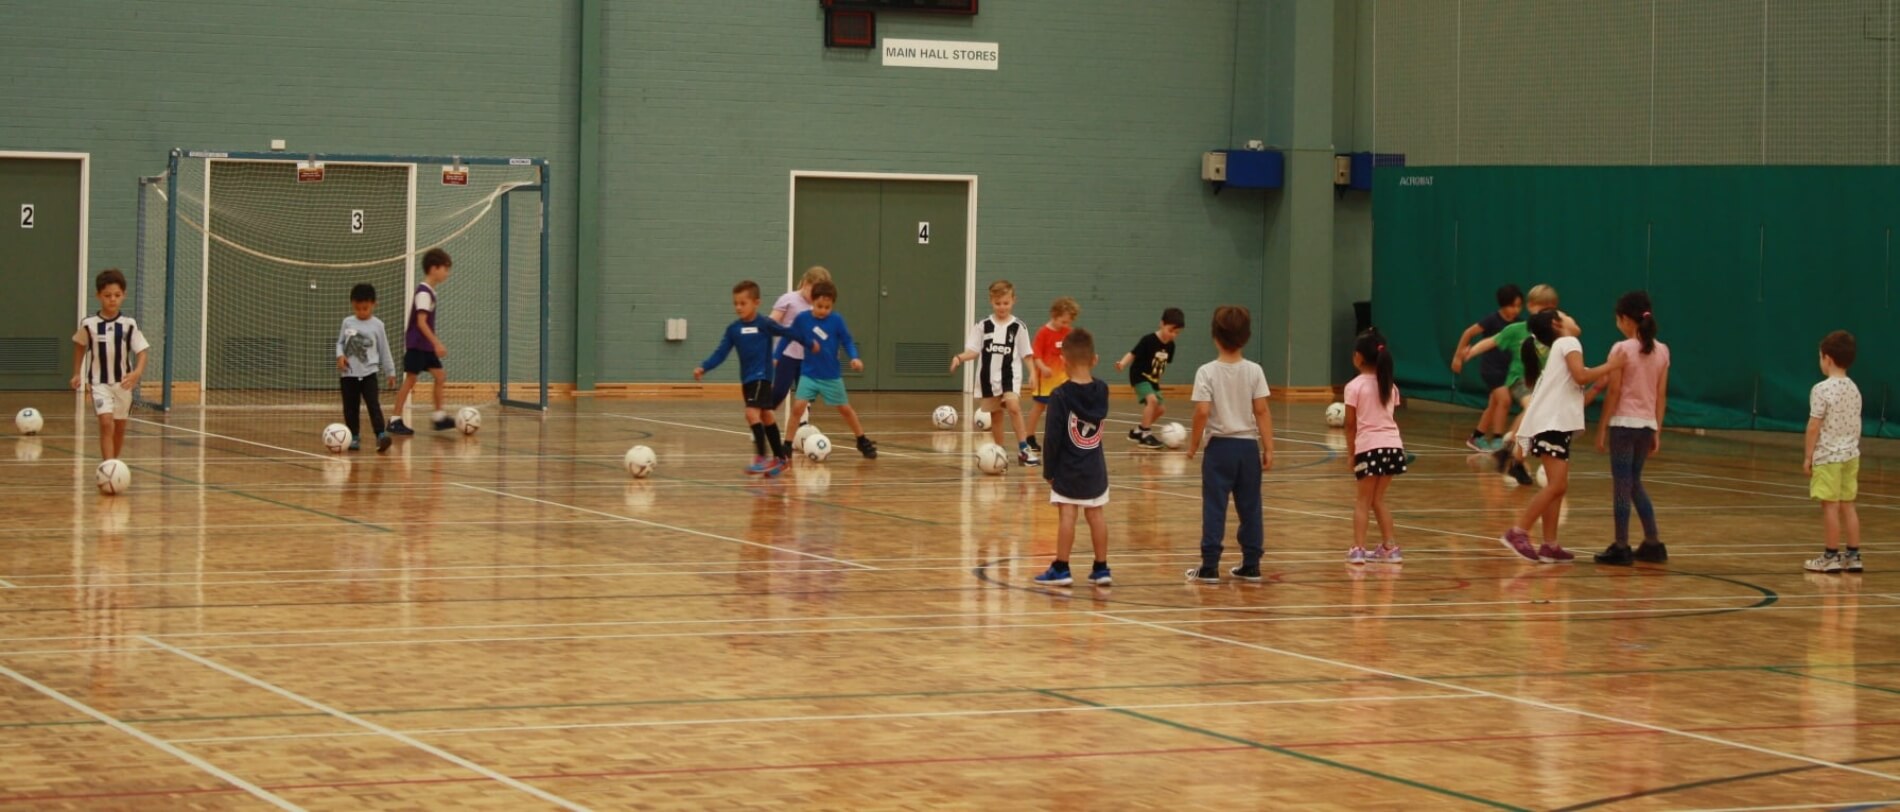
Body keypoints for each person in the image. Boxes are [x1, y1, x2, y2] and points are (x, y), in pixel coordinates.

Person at [1497, 310, 1625, 563]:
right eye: (1568, 315)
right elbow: (1581, 376)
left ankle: (1550, 545)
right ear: (1557, 323)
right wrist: (1612, 365)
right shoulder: (1568, 342)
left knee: (1557, 486)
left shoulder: (1561, 350)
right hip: (1551, 425)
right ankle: (1517, 532)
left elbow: (1580, 393)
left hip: (1555, 425)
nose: (1574, 318)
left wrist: (1599, 383)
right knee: (1557, 485)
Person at [1184, 306, 1274, 584]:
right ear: (1246, 337)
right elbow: (1261, 411)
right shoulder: (1254, 371)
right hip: (1247, 449)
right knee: (1250, 507)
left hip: (1219, 449)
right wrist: (1269, 447)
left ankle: (1210, 566)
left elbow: (1201, 411)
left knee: (1214, 506)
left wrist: (1194, 443)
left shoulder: (1206, 372)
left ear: (1214, 336)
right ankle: (1251, 563)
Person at [696, 280, 814, 475]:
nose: (738, 307)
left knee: (751, 413)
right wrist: (704, 367)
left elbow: (788, 332)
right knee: (767, 416)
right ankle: (781, 459)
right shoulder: (734, 329)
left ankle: (761, 457)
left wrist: (809, 342)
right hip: (747, 380)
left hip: (763, 377)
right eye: (736, 303)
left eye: (743, 303)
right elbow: (721, 353)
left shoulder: (765, 324)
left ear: (756, 303)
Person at [1592, 291, 1670, 566]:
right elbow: (1661, 395)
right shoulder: (1662, 350)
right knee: (1633, 482)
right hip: (1646, 426)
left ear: (1626, 319)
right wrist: (1657, 430)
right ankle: (1653, 542)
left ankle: (1621, 545)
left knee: (1622, 486)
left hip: (1624, 425)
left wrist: (1601, 428)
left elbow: (1613, 392)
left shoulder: (1621, 349)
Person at [1031, 328, 1112, 587]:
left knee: (1068, 514)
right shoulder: (1102, 390)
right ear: (1095, 359)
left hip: (1067, 468)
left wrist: (1049, 471)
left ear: (1063, 361)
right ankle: (1101, 568)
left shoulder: (1060, 396)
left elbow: (1052, 438)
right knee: (1096, 514)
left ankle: (1061, 568)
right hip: (1095, 468)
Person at [1460, 284, 1561, 485]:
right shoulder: (1517, 329)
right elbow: (1491, 341)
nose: (1547, 314)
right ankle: (1510, 451)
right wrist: (1470, 353)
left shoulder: (1555, 331)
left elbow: (1575, 331)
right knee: (1531, 407)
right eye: (1543, 309)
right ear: (1531, 306)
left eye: (1551, 310)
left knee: (1533, 415)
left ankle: (1511, 455)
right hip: (1519, 380)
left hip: (1540, 383)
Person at [950, 280, 1039, 466]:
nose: (1002, 307)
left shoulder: (1019, 327)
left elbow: (1026, 354)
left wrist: (1032, 373)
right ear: (991, 302)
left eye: (1006, 303)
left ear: (1013, 300)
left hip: (1010, 377)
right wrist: (959, 358)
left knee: (1014, 408)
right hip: (988, 379)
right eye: (998, 303)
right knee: (996, 417)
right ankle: (1000, 451)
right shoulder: (982, 326)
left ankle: (1024, 450)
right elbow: (973, 352)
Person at [790, 281, 877, 459]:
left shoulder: (836, 320)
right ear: (812, 301)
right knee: (797, 408)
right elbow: (789, 336)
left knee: (845, 409)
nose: (823, 310)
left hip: (831, 376)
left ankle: (861, 440)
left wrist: (854, 357)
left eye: (827, 307)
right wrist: (778, 355)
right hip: (809, 374)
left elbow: (847, 340)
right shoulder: (803, 319)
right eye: (819, 306)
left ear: (833, 305)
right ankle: (786, 444)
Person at [70, 269, 149, 461]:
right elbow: (80, 346)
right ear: (98, 296)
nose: (112, 299)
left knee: (119, 427)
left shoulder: (129, 324)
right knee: (106, 423)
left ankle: (114, 463)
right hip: (99, 383)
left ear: (124, 295)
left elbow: (142, 351)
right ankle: (108, 466)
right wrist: (77, 373)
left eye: (117, 295)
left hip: (123, 384)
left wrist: (137, 373)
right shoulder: (89, 324)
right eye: (107, 295)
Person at [1803, 330, 1863, 574]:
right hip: (1850, 456)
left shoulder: (1821, 389)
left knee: (1830, 506)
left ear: (1827, 358)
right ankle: (1854, 555)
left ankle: (1831, 555)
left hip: (1828, 457)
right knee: (1848, 505)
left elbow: (1814, 424)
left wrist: (1808, 456)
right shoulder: (1854, 389)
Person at [1345, 329, 1405, 565]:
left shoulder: (1354, 386)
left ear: (1359, 357)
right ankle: (1390, 547)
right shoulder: (1390, 386)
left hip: (1369, 448)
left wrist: (1352, 454)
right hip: (1393, 448)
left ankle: (1359, 548)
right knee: (1378, 499)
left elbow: (1350, 426)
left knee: (1363, 500)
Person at [388, 248, 455, 435]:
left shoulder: (431, 292)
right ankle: (394, 419)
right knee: (410, 380)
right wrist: (437, 343)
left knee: (440, 376)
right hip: (418, 345)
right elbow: (421, 322)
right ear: (434, 268)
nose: (447, 273)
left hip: (425, 347)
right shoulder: (424, 293)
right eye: (445, 269)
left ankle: (439, 417)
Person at [1450, 284, 1523, 451]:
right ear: (1502, 304)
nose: (1516, 310)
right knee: (1504, 401)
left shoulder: (1519, 324)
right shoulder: (1492, 319)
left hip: (1507, 370)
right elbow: (1468, 333)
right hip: (1491, 369)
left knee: (1494, 405)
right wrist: (1458, 356)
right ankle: (1498, 440)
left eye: (1519, 306)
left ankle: (1477, 437)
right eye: (1512, 305)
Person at [335, 283, 396, 453]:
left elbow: (384, 349)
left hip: (369, 374)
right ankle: (353, 436)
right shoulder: (347, 322)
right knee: (350, 407)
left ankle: (381, 435)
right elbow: (340, 343)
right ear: (352, 304)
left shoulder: (378, 325)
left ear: (374, 304)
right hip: (348, 374)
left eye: (365, 308)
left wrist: (390, 371)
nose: (362, 312)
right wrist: (340, 355)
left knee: (373, 404)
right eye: (358, 308)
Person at [1116, 308, 1186, 450]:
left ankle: (1138, 431)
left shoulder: (1171, 346)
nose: (1173, 335)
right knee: (1152, 401)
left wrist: (1156, 381)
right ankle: (1145, 435)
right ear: (1161, 324)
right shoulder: (1148, 340)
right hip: (1139, 375)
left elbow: (1162, 364)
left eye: (1177, 333)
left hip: (1153, 381)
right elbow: (1133, 353)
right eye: (1170, 330)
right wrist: (1123, 363)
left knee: (1160, 409)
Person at [770, 266, 832, 424]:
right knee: (779, 392)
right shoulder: (788, 299)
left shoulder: (818, 307)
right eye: (813, 291)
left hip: (807, 358)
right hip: (787, 355)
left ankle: (802, 427)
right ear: (805, 284)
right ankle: (762, 421)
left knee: (806, 395)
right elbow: (772, 322)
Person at [1026, 296, 1080, 455]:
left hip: (1063, 379)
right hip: (1046, 380)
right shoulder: (1043, 333)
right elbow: (1036, 355)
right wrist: (1042, 368)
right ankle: (1029, 437)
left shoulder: (1068, 332)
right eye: (1063, 322)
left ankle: (1061, 438)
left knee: (1063, 409)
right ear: (1054, 316)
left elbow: (1073, 351)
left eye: (1068, 322)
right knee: (1039, 407)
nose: (1066, 325)